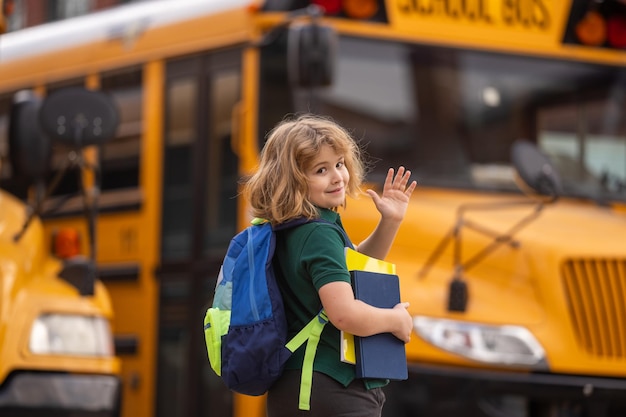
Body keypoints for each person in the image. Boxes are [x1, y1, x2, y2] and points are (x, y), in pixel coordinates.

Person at [242, 114, 416, 417]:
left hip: (295, 387)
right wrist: (395, 321)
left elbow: (351, 268)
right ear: (293, 179)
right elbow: (344, 315)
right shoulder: (318, 234)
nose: (338, 176)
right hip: (330, 386)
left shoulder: (291, 228)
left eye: (339, 164)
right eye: (321, 170)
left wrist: (390, 220)